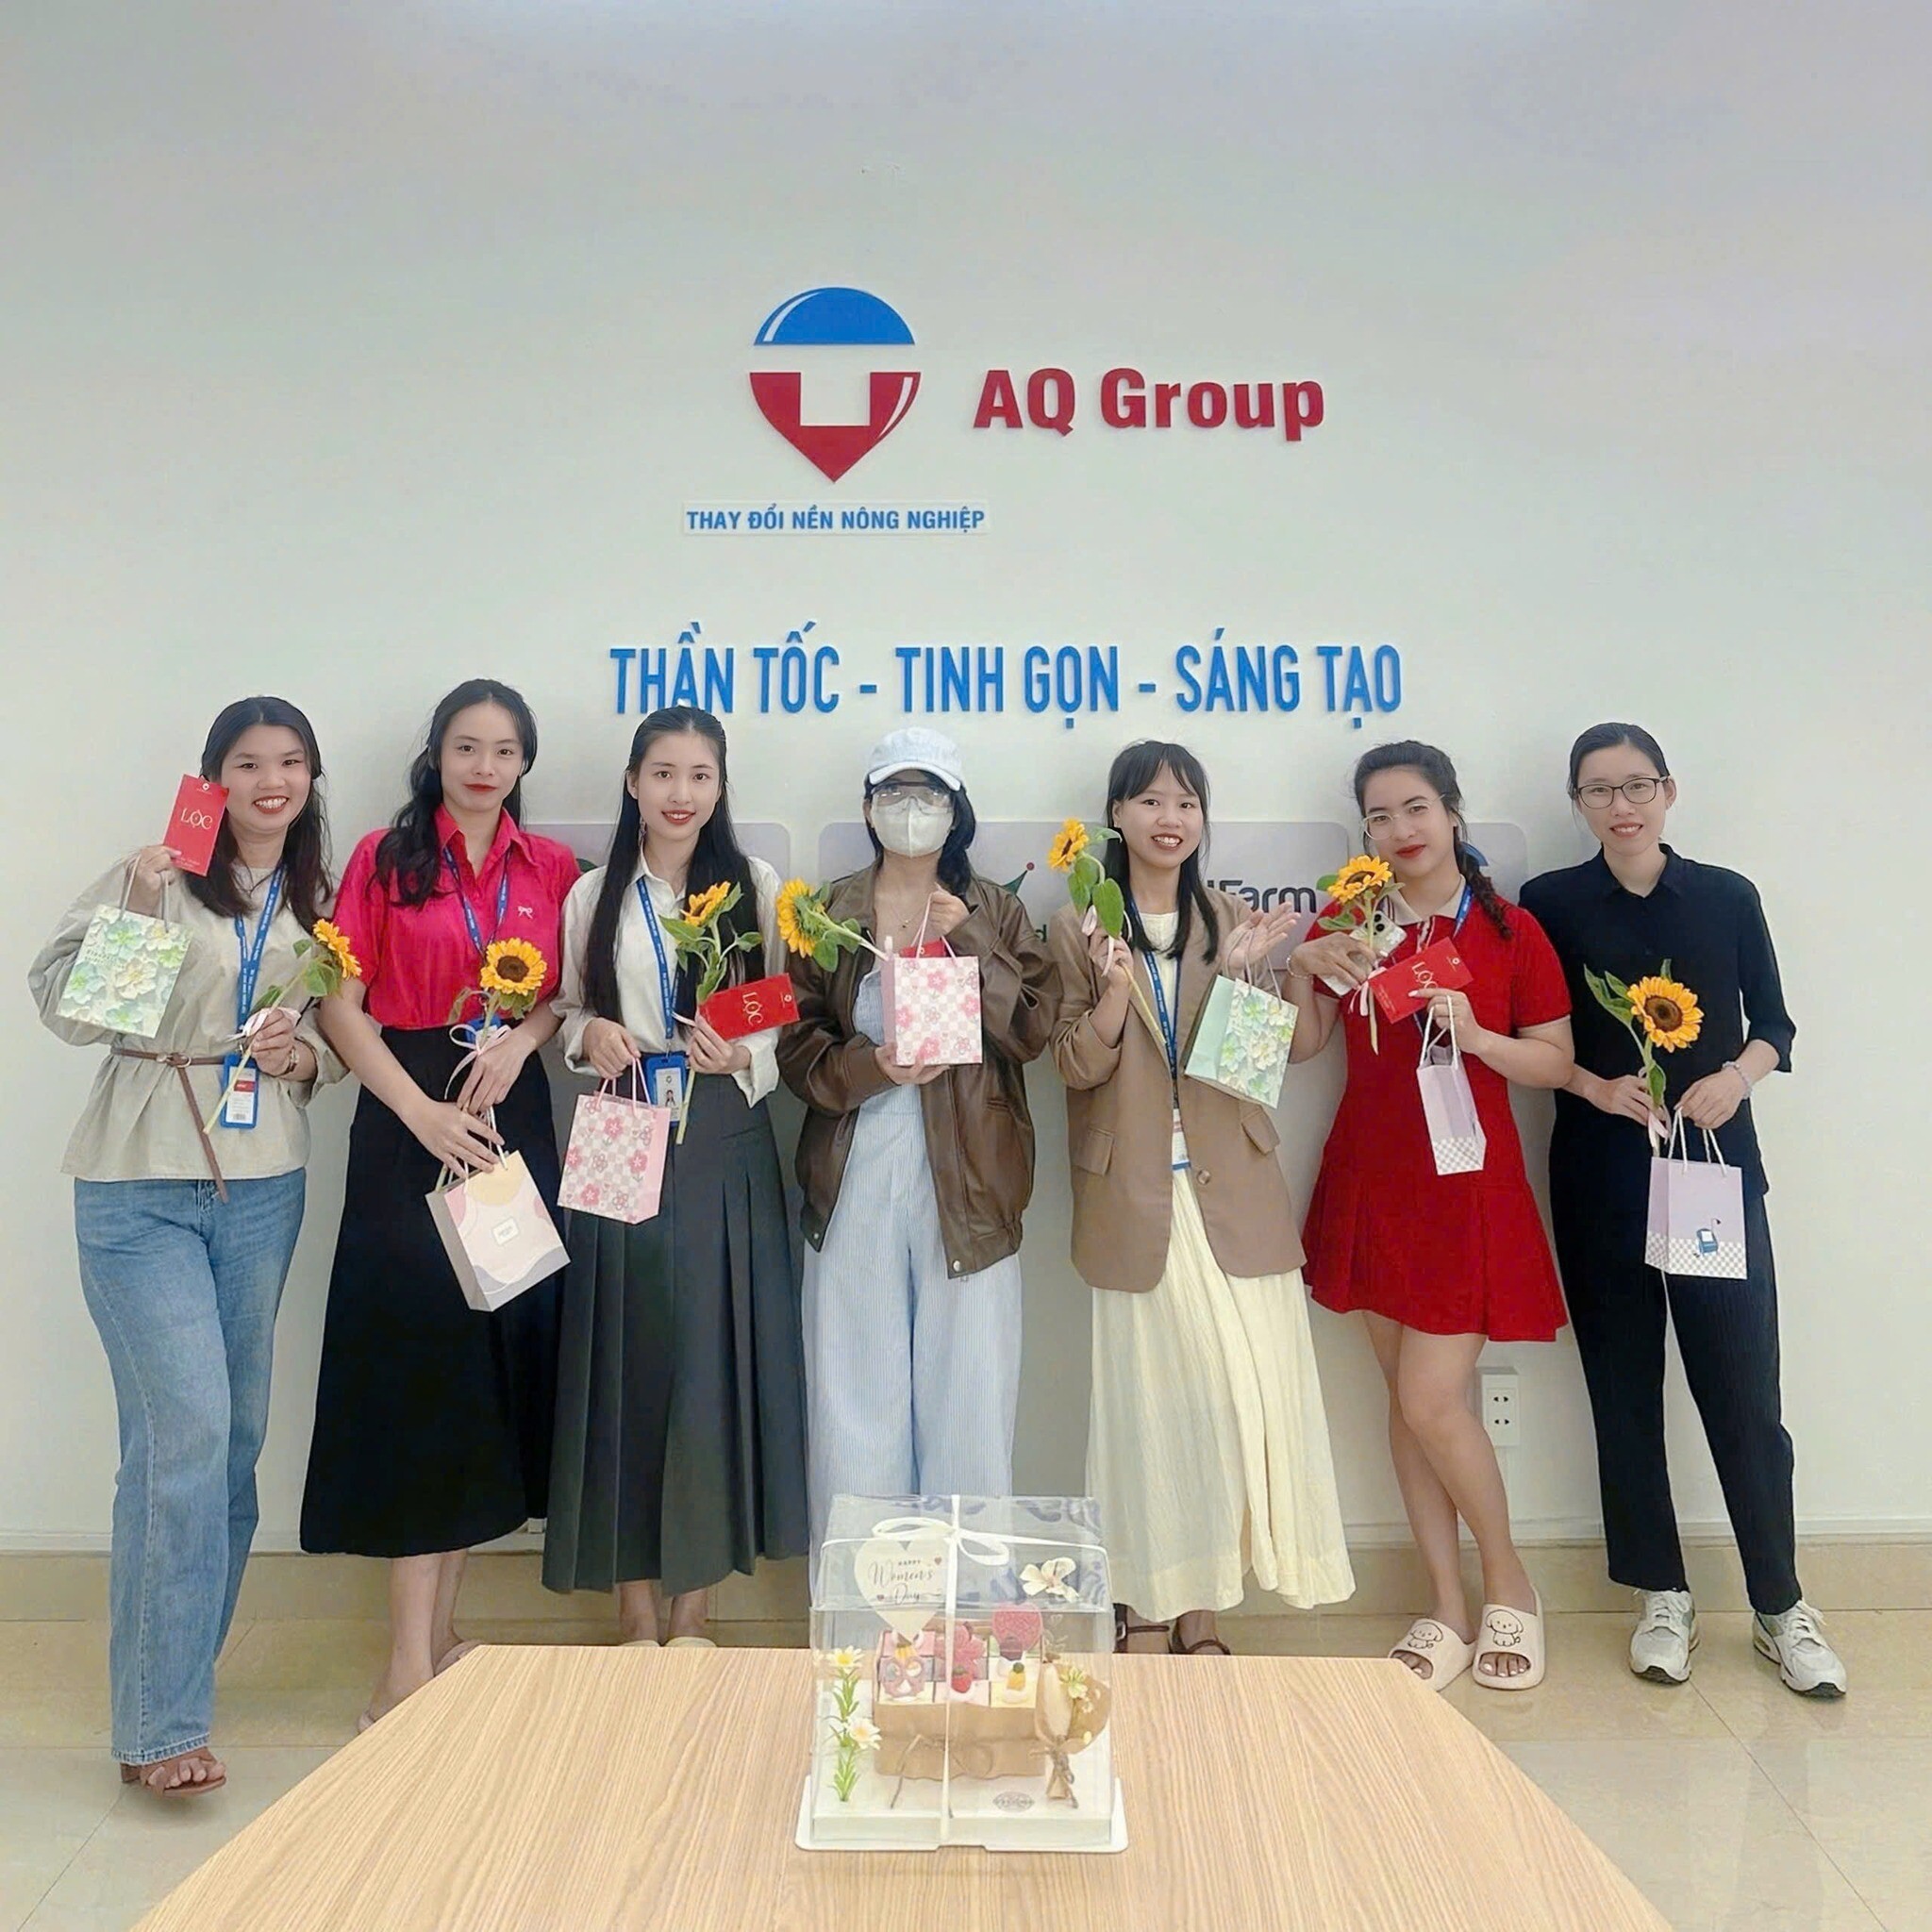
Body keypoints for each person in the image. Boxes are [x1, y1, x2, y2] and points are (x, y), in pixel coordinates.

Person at [29, 697, 341, 1796]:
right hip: (137, 1180)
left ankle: (174, 1671)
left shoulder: (317, 896)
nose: (271, 780)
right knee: (184, 1436)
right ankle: (160, 1723)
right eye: (247, 763)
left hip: (261, 1185)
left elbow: (330, 1042)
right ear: (213, 777)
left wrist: (297, 1056)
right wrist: (139, 906)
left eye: (290, 761)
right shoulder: (151, 875)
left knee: (233, 1442)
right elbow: (74, 1014)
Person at [1521, 723, 1845, 1696]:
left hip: (1711, 1171)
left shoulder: (1725, 896)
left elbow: (1773, 1026)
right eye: (1598, 790)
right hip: (1600, 1177)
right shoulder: (1549, 903)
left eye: (1636, 785)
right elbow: (1535, 1032)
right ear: (1577, 803)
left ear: (1668, 790)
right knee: (1621, 1390)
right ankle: (1660, 1593)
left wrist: (1734, 1080)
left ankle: (1780, 1605)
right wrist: (1592, 1085)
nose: (1620, 806)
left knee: (1743, 1392)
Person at [300, 678, 578, 1725]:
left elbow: (567, 990)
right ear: (436, 754)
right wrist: (418, 1111)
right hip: (407, 1116)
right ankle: (403, 1665)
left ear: (524, 763)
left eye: (503, 750)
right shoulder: (384, 857)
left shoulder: (552, 868)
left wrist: (523, 1040)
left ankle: (446, 1631)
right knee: (419, 1371)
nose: (483, 766)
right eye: (466, 746)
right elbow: (338, 1003)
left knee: (482, 1369)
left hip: (506, 1118)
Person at [1049, 741, 1354, 1657]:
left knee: (1236, 1403)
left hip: (1235, 1192)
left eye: (1185, 802)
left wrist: (1245, 975)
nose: (1169, 818)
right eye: (1149, 800)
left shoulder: (1228, 918)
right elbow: (1072, 1064)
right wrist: (1112, 992)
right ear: (1116, 815)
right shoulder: (1075, 925)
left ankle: (1203, 1608)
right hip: (1133, 1198)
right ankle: (1145, 1599)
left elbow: (1251, 1069)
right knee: (1152, 1408)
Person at [1291, 741, 1574, 1691]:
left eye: (1414, 807)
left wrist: (1477, 1032)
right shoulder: (1350, 921)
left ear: (1452, 812)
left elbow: (1552, 1062)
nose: (1399, 829)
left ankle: (1512, 1587)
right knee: (1404, 1408)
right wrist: (1301, 966)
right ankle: (1446, 1605)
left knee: (1429, 1399)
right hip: (1372, 1182)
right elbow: (1302, 1049)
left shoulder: (1510, 931)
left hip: (1466, 1187)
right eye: (1378, 815)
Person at [544, 707, 808, 1643]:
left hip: (723, 1129)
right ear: (632, 783)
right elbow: (569, 1009)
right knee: (622, 1354)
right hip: (618, 1122)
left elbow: (781, 1008)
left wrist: (742, 1052)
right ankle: (633, 1609)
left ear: (720, 785)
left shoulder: (756, 885)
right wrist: (590, 1036)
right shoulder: (592, 895)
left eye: (699, 775)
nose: (680, 793)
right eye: (663, 774)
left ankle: (694, 1606)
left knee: (707, 1358)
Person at [778, 727, 1055, 1556]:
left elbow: (1032, 1030)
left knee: (968, 1397)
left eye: (929, 794)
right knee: (852, 1395)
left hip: (971, 1180)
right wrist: (874, 1067)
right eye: (894, 793)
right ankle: (865, 1604)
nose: (911, 809)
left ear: (955, 810)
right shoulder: (827, 912)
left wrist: (969, 938)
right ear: (868, 807)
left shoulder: (996, 908)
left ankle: (967, 1605)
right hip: (855, 1168)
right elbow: (796, 1046)